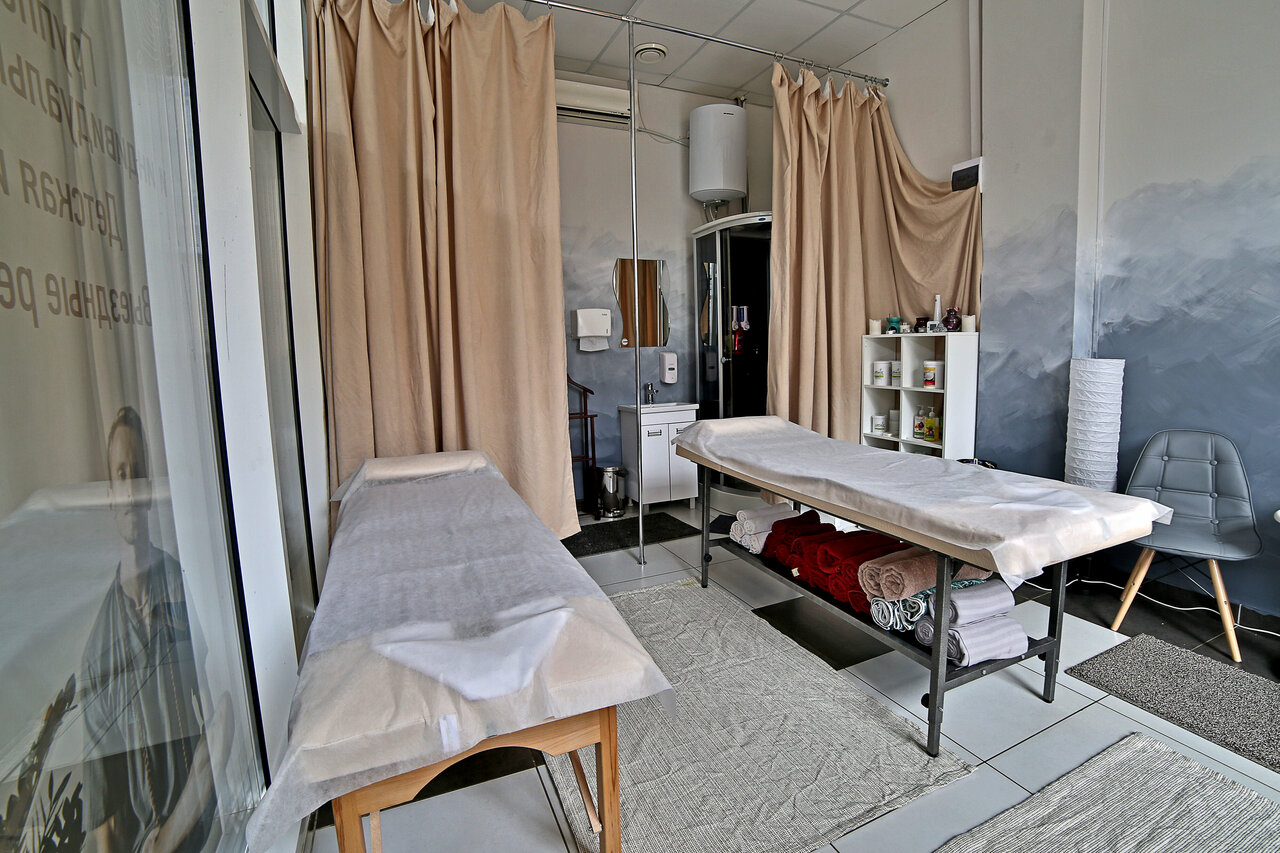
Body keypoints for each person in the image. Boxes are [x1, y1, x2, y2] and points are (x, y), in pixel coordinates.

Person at [80, 407, 217, 853]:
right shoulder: (97, 652)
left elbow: (221, 723)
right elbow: (106, 823)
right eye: (122, 475)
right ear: (109, 495)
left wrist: (171, 836)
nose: (132, 489)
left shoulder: (179, 585)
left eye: (139, 474)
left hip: (209, 829)